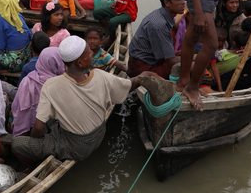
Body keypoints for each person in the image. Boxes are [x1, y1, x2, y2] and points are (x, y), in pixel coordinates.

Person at [13, 37, 156, 164]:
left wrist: (36, 141)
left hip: (76, 146)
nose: (92, 54)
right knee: (51, 121)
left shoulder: (51, 86)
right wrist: (143, 76)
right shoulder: (101, 76)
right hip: (99, 133)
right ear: (80, 63)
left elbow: (38, 128)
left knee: (17, 143)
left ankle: (35, 162)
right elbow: (129, 85)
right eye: (89, 53)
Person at [128, 0, 185, 79]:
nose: (183, 2)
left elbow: (175, 24)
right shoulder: (159, 24)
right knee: (192, 65)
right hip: (143, 67)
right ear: (167, 3)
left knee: (190, 53)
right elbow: (171, 61)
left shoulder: (162, 14)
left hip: (153, 59)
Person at [11, 47, 64, 137]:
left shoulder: (27, 80)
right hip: (51, 133)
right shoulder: (61, 85)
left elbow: (16, 107)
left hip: (26, 131)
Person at [0, 0, 33, 72]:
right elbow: (29, 35)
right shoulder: (18, 15)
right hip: (27, 58)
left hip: (14, 63)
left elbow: (0, 47)